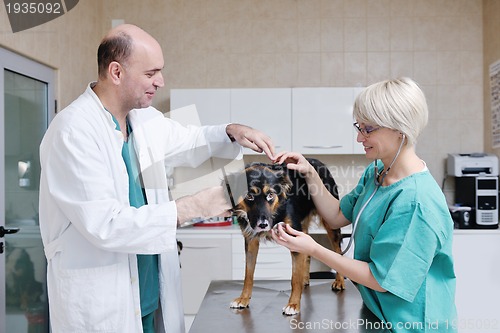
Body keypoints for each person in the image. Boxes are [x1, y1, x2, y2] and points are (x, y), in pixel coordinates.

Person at [39, 24, 275, 333]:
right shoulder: (72, 131)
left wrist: (232, 130)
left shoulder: (143, 119)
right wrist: (190, 207)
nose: (160, 82)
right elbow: (105, 225)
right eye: (151, 74)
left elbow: (191, 139)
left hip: (149, 299)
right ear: (116, 72)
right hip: (104, 307)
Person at [272, 77, 457, 332]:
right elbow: (337, 215)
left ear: (400, 129)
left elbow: (381, 279)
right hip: (378, 314)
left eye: (368, 129)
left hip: (412, 324)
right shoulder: (377, 173)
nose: (360, 137)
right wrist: (309, 173)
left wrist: (314, 249)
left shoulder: (416, 202)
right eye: (358, 127)